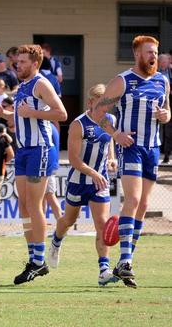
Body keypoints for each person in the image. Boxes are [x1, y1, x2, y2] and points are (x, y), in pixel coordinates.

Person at [92, 35, 169, 287]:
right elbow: (98, 112)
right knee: (133, 200)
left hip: (153, 148)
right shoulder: (123, 81)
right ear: (137, 54)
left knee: (143, 205)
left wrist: (165, 116)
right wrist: (116, 134)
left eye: (155, 52)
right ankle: (125, 260)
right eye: (149, 52)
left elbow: (166, 113)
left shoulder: (162, 80)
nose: (153, 56)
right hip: (131, 147)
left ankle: (126, 261)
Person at [48, 84, 120, 286]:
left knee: (102, 224)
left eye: (108, 104)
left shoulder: (111, 120)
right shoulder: (78, 125)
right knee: (69, 221)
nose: (105, 108)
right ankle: (55, 241)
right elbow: (73, 159)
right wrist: (93, 172)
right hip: (79, 181)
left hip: (100, 183)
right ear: (90, 103)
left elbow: (110, 141)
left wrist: (112, 159)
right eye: (100, 104)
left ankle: (104, 269)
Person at [12, 44, 67, 285]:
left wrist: (32, 114)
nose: (18, 65)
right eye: (18, 61)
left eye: (23, 62)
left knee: (34, 205)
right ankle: (34, 258)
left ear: (35, 64)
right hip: (23, 150)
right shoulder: (23, 86)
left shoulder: (41, 83)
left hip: (40, 149)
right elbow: (25, 114)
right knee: (23, 205)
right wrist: (6, 116)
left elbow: (62, 113)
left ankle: (38, 260)